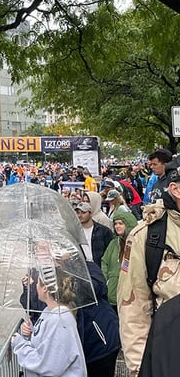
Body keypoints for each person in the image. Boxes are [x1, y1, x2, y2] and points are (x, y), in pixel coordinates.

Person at [118, 161, 180, 376]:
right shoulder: (146, 236)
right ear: (176, 189)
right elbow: (133, 310)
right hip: (168, 356)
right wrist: (139, 369)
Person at [10, 271, 87, 377]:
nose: (35, 286)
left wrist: (20, 344)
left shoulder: (60, 320)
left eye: (37, 283)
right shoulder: (48, 311)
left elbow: (49, 366)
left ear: (45, 288)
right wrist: (31, 333)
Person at [101, 210, 137, 313]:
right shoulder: (114, 243)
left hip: (130, 295)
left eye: (121, 223)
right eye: (115, 224)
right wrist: (106, 279)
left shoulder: (136, 244)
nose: (117, 226)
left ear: (128, 224)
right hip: (113, 294)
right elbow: (105, 261)